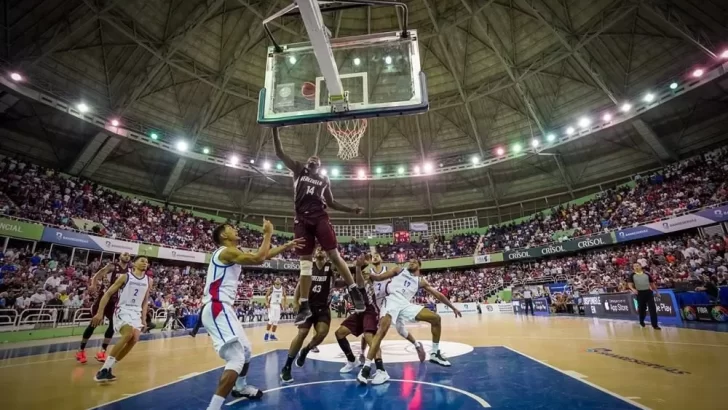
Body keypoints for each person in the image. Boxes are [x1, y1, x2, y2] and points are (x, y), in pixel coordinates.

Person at [201, 221, 302, 410]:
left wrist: (285, 247)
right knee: (236, 359)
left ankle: (240, 387)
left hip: (223, 307)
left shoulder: (232, 253)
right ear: (223, 236)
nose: (235, 229)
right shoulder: (225, 251)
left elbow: (262, 256)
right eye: (231, 228)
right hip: (217, 307)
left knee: (246, 350)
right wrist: (268, 234)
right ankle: (213, 408)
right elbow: (258, 259)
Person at [273, 127, 366, 324]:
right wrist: (275, 131)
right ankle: (304, 305)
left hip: (320, 218)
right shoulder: (299, 169)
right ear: (308, 163)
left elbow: (331, 203)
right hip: (301, 220)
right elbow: (280, 153)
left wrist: (351, 210)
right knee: (305, 262)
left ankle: (354, 291)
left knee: (333, 254)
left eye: (317, 158)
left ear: (320, 165)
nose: (314, 158)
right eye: (311, 157)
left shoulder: (324, 179)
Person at [358, 259, 462, 384]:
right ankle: (367, 368)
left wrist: (453, 307)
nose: (411, 262)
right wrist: (370, 275)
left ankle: (434, 353)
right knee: (382, 331)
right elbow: (379, 278)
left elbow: (438, 294)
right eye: (410, 261)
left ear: (419, 265)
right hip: (391, 300)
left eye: (414, 262)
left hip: (405, 305)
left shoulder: (420, 281)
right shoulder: (399, 270)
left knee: (436, 318)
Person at [336, 254, 426, 385]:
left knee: (387, 332)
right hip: (368, 307)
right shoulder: (366, 273)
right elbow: (355, 283)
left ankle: (382, 368)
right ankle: (356, 358)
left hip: (386, 304)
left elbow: (396, 279)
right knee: (359, 335)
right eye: (373, 256)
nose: (375, 257)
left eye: (377, 255)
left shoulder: (388, 270)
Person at [280, 248, 338, 383]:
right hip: (308, 305)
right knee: (302, 333)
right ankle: (287, 367)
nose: (319, 251)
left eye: (322, 249)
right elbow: (300, 285)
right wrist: (295, 301)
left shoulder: (331, 267)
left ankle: (306, 350)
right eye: (317, 249)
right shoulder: (309, 267)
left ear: (326, 254)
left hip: (323, 307)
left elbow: (338, 275)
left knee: (322, 332)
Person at [92, 256, 152, 382]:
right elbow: (108, 293)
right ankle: (103, 370)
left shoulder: (149, 280)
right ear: (134, 264)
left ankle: (108, 369)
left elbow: (145, 301)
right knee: (128, 333)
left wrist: (143, 318)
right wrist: (99, 312)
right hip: (123, 309)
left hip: (136, 311)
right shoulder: (125, 277)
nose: (145, 263)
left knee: (134, 339)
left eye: (147, 262)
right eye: (142, 261)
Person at [76, 252, 132, 364]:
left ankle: (102, 351)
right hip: (104, 298)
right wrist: (93, 284)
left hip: (115, 301)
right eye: (124, 254)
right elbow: (97, 275)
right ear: (119, 257)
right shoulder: (112, 266)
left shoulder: (129, 272)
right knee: (94, 324)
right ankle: (81, 350)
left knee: (112, 325)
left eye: (129, 255)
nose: (127, 256)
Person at [628, 262, 660, 330]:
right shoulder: (632, 275)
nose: (636, 267)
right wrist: (633, 289)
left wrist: (657, 292)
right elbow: (629, 285)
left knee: (653, 309)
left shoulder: (647, 274)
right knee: (642, 309)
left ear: (640, 266)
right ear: (633, 268)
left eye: (637, 266)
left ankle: (655, 325)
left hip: (648, 292)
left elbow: (652, 284)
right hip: (639, 293)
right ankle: (641, 321)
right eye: (634, 266)